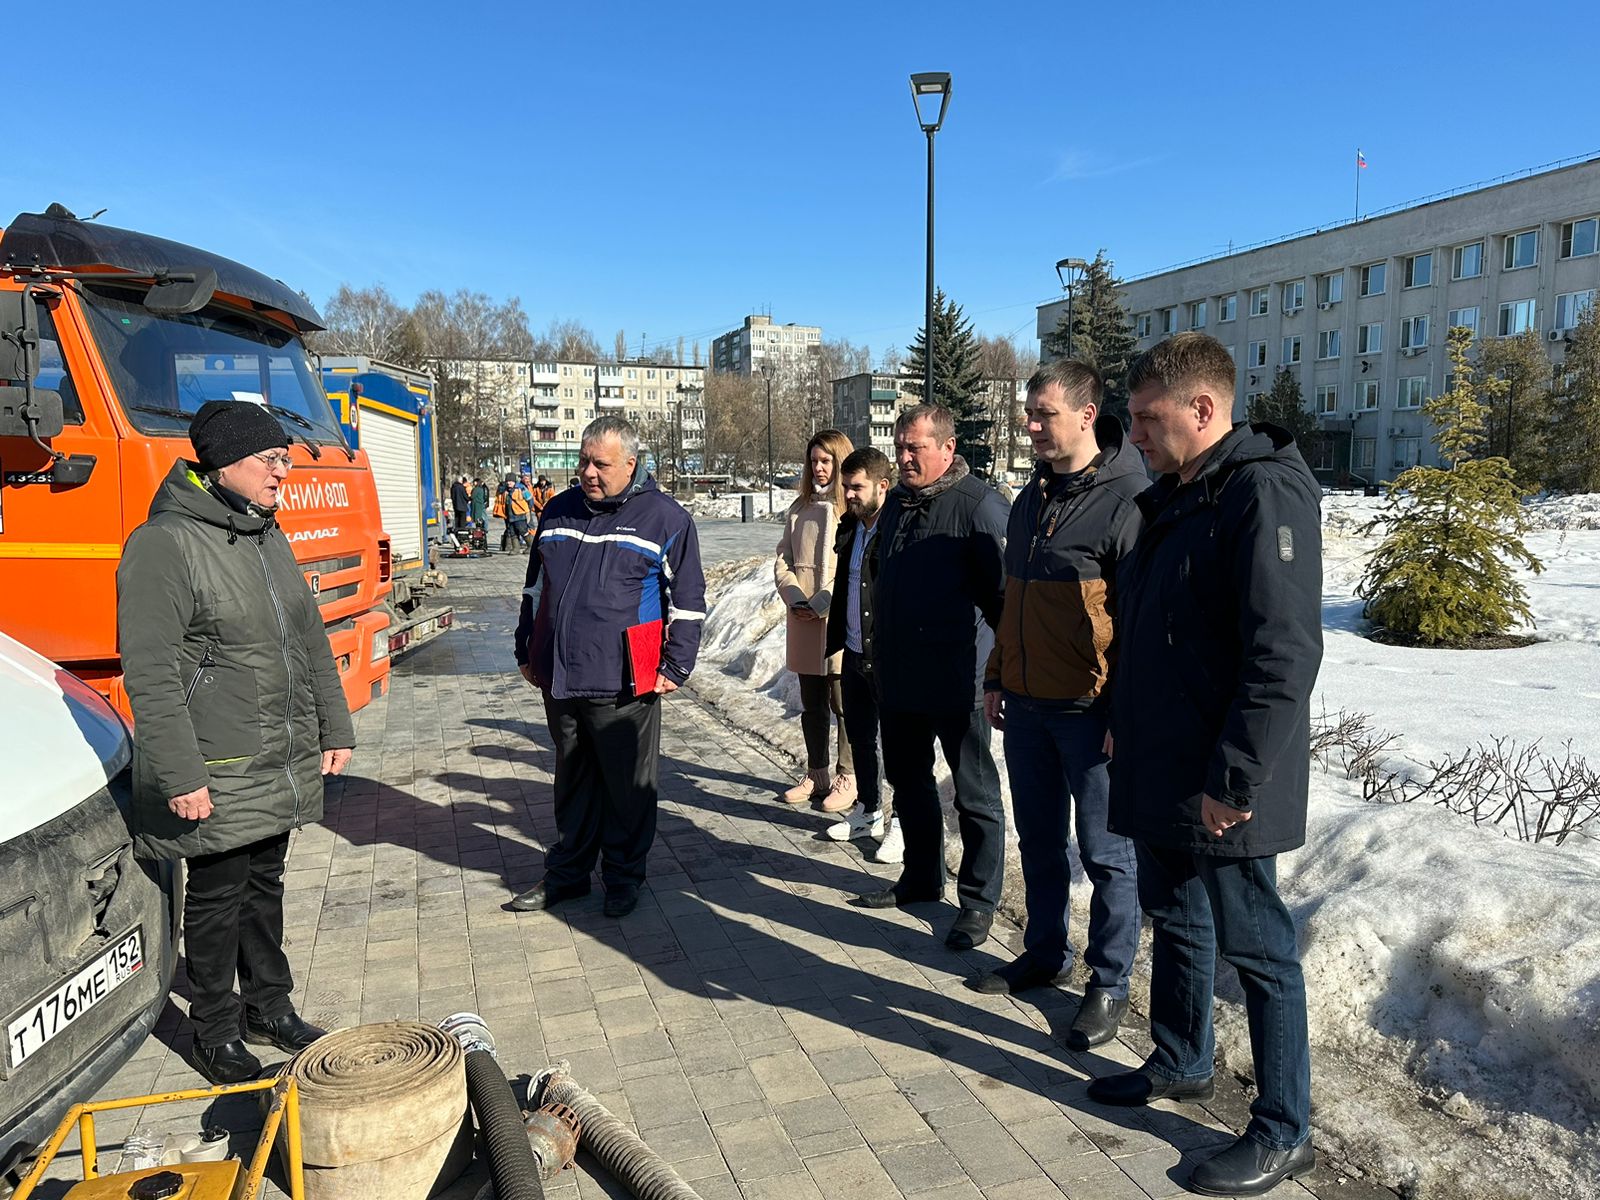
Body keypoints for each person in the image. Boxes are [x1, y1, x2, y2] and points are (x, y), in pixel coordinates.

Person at [1086, 333, 1322, 1197]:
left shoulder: (1259, 492)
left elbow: (1284, 652)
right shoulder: (1177, 494)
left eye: (1147, 419)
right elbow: (1153, 629)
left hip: (1223, 777)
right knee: (1176, 919)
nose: (1133, 434)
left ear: (1204, 409)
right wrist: (1122, 721)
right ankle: (1183, 1060)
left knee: (1258, 950)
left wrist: (1235, 779)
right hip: (1160, 758)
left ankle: (1284, 1127)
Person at [117, 401, 354, 1084]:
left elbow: (307, 637)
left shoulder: (263, 533)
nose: (284, 472)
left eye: (285, 457)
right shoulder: (163, 545)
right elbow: (151, 672)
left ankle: (268, 1008)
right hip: (215, 763)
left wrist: (333, 726)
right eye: (271, 460)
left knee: (265, 884)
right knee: (217, 899)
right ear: (224, 465)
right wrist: (179, 773)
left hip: (271, 758)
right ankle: (214, 1028)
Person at [969, 361, 1146, 1052]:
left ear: (1085, 413)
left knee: (1107, 855)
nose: (1030, 424)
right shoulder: (1029, 498)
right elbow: (1012, 601)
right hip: (1026, 703)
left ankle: (1109, 983)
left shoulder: (1128, 498)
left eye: (1043, 413)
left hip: (1090, 712)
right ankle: (1046, 953)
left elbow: (1137, 621)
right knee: (1039, 842)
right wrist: (995, 673)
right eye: (1028, 412)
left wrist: (1123, 715)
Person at [509, 416, 706, 919]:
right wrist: (527, 645)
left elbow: (687, 600)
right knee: (572, 782)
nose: (588, 473)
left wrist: (677, 664)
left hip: (625, 678)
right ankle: (569, 876)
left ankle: (622, 878)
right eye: (583, 462)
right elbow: (536, 588)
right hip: (561, 672)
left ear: (631, 464)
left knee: (626, 788)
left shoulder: (665, 518)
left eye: (601, 464)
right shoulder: (558, 510)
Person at [850, 405, 1008, 952]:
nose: (904, 456)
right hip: (899, 679)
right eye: (899, 446)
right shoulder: (895, 503)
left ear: (947, 447)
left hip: (956, 681)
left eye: (915, 447)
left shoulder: (979, 506)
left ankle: (979, 902)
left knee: (974, 794)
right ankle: (921, 876)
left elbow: (1004, 602)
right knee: (908, 782)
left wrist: (999, 673)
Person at [822, 446, 901, 863]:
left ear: (881, 486)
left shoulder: (897, 528)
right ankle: (868, 811)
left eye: (857, 487)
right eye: (845, 487)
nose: (849, 495)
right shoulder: (850, 528)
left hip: (887, 657)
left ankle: (900, 825)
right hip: (853, 653)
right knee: (861, 739)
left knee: (899, 746)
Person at [774, 429, 856, 811]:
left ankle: (848, 775)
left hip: (838, 619)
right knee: (812, 703)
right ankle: (817, 770)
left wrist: (824, 600)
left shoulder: (851, 510)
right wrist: (794, 596)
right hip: (803, 619)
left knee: (844, 704)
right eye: (814, 461)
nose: (819, 468)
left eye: (826, 461)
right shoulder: (799, 509)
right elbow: (783, 559)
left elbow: (853, 568)